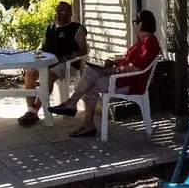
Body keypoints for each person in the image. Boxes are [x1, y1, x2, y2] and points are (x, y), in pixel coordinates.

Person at [48, 9, 161, 138]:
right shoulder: (142, 41)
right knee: (91, 73)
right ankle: (85, 120)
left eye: (135, 22)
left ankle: (73, 106)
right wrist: (113, 63)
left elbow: (137, 67)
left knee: (90, 81)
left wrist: (116, 69)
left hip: (130, 83)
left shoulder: (149, 42)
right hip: (123, 78)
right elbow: (130, 61)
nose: (133, 24)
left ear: (142, 24)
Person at [18, 1, 89, 127]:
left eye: (62, 11)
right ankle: (30, 110)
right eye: (56, 11)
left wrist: (67, 58)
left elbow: (83, 49)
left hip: (66, 64)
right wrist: (37, 52)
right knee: (30, 73)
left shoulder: (76, 28)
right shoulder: (51, 27)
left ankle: (34, 112)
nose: (58, 14)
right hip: (46, 61)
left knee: (47, 77)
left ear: (70, 13)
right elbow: (43, 45)